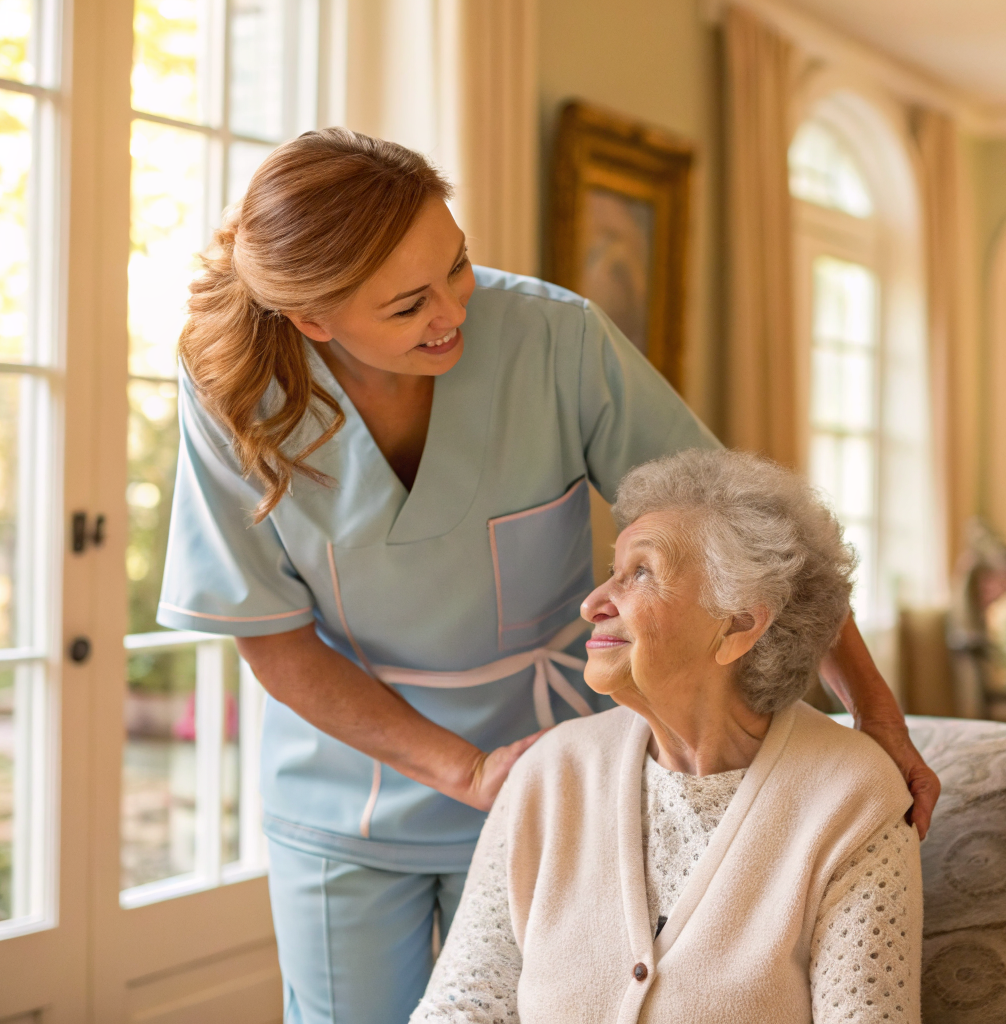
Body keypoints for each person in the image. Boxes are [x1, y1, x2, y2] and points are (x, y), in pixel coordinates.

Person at [159, 127, 938, 1024]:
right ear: (312, 320)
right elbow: (273, 637)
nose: (453, 311)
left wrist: (875, 714)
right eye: (409, 304)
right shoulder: (233, 389)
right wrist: (469, 771)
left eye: (457, 266)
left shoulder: (552, 336)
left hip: (568, 778)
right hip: (352, 788)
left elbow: (753, 537)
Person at [412, 448, 922, 1024]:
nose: (592, 603)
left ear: (738, 624)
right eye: (614, 571)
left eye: (641, 573)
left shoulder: (854, 799)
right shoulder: (550, 774)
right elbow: (466, 1004)